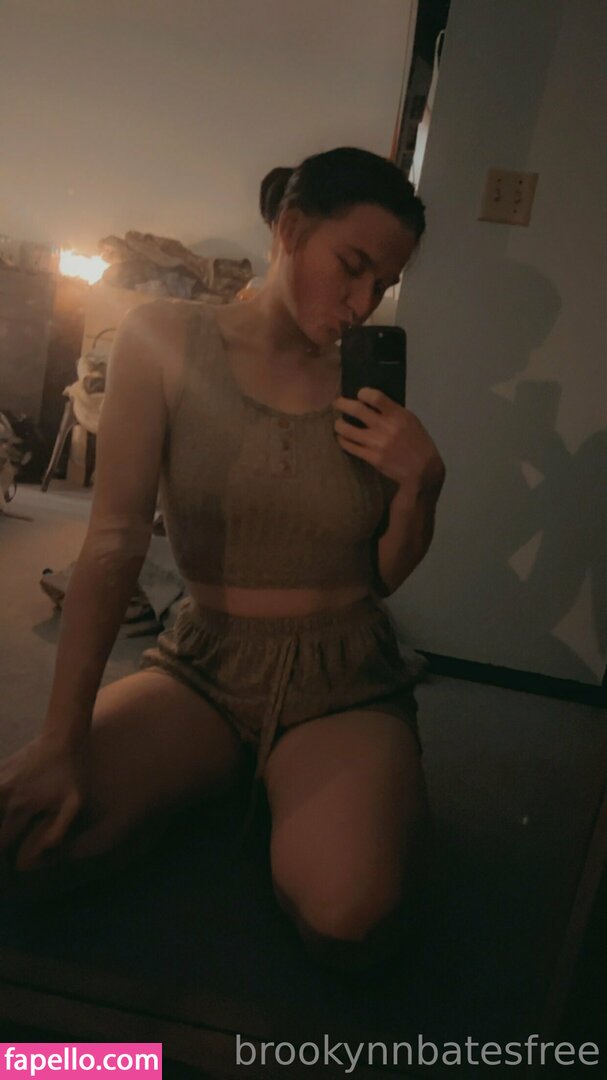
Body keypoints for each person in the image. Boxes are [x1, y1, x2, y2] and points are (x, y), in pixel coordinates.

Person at [0, 147, 445, 975]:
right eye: (351, 267)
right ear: (291, 229)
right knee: (25, 850)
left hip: (340, 674)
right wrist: (60, 738)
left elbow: (382, 575)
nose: (361, 303)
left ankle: (288, 785)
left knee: (351, 923)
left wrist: (421, 487)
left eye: (382, 283)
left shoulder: (363, 379)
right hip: (203, 666)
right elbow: (114, 540)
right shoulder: (166, 339)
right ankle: (224, 779)